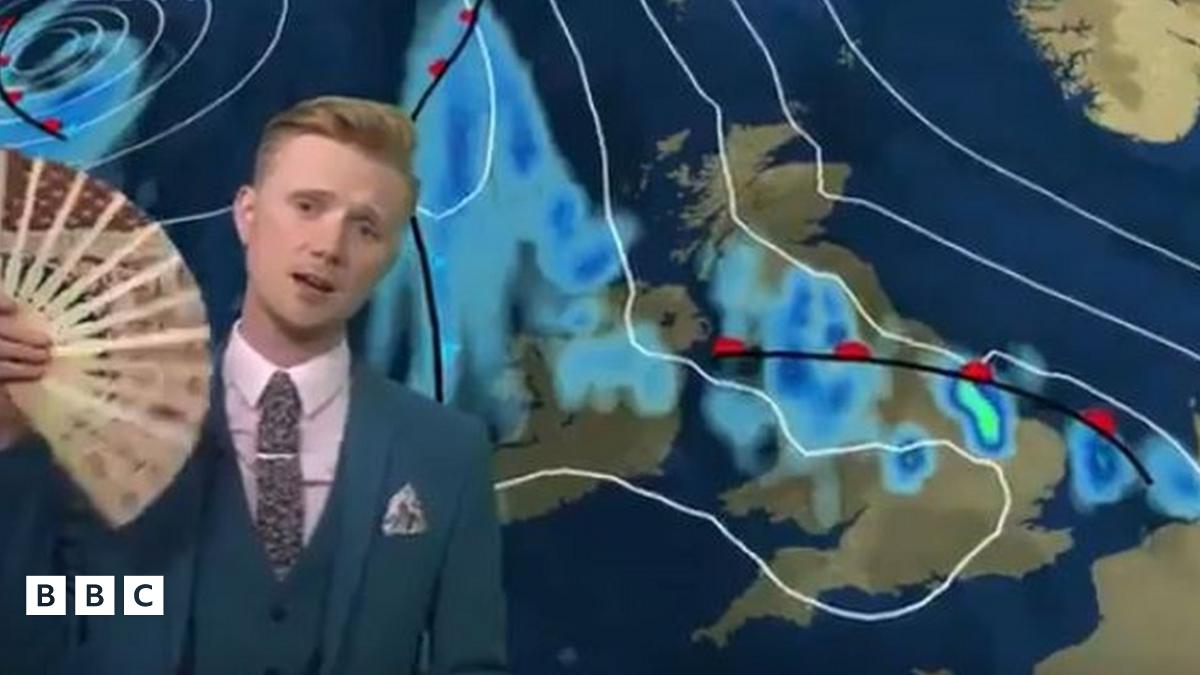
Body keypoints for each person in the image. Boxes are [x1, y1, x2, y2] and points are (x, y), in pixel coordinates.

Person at [0, 96, 510, 674]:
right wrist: (8, 435)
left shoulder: (445, 453)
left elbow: (470, 663)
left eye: (365, 228)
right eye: (307, 206)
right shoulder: (110, 429)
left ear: (389, 257)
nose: (329, 247)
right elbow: (37, 628)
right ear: (247, 214)